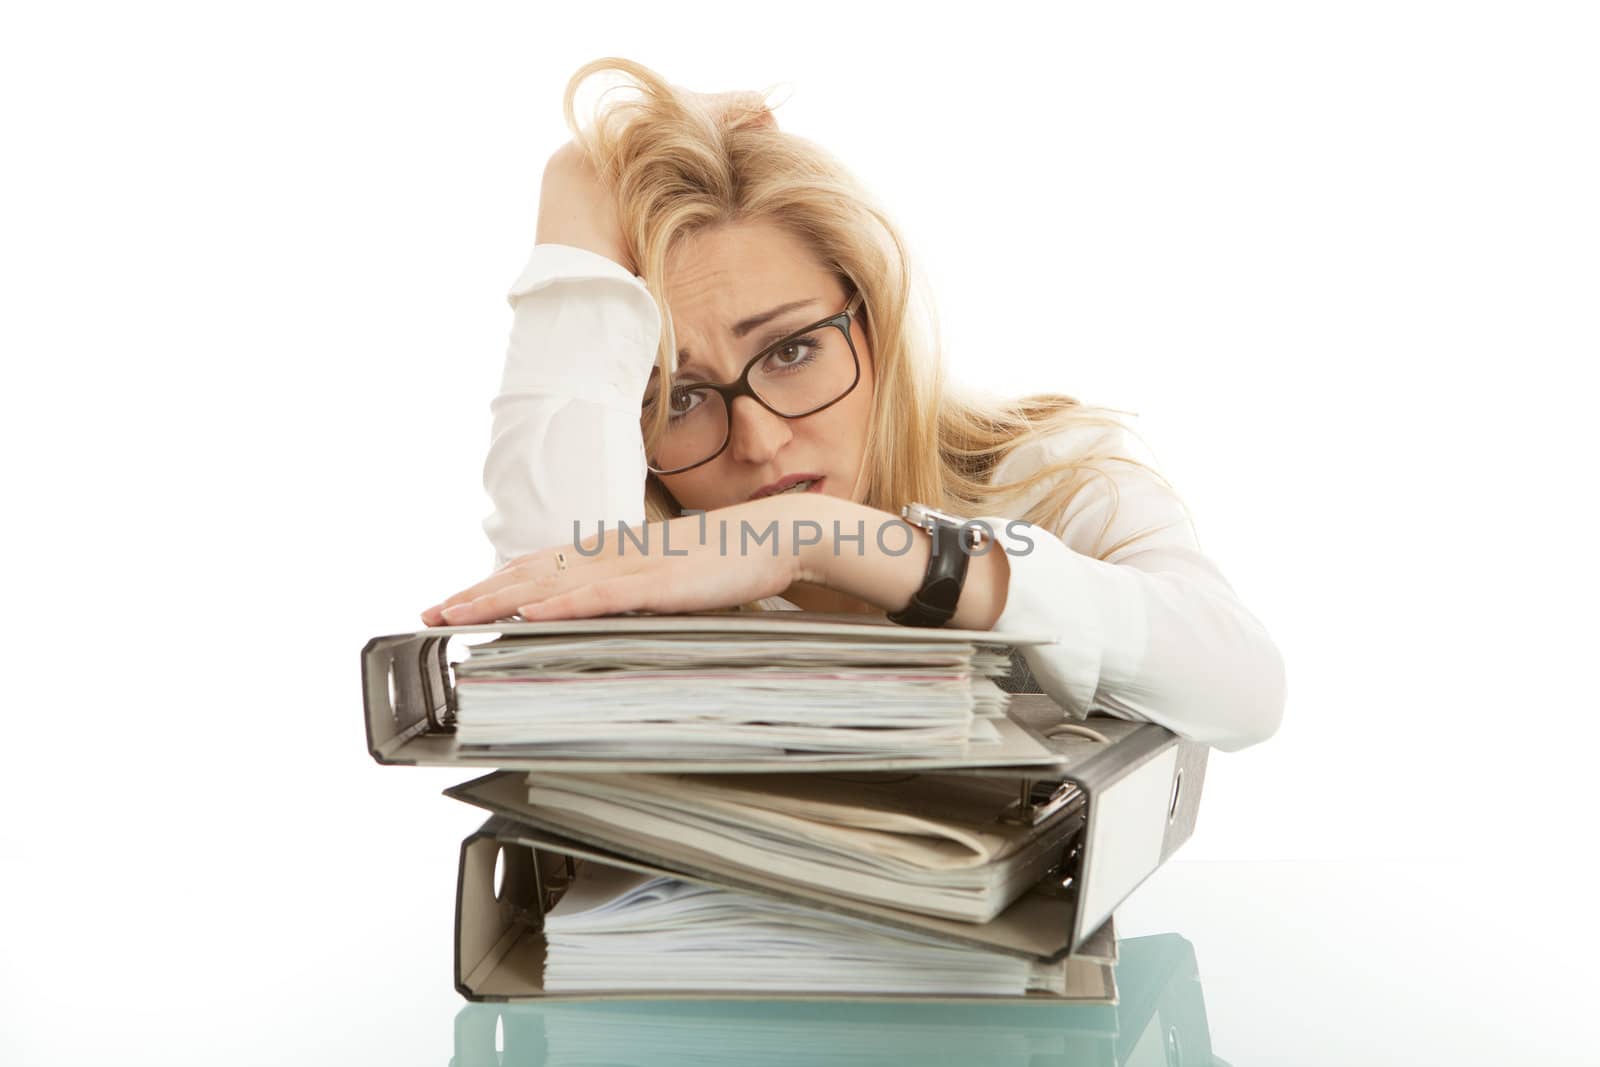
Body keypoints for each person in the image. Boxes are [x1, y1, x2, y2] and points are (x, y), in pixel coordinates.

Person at [420, 58, 1285, 752]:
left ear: (872, 325)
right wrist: (574, 197)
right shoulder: (648, 541)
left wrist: (827, 539)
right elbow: (555, 643)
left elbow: (1244, 686)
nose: (755, 440)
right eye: (679, 400)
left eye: (792, 350)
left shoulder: (1048, 475)